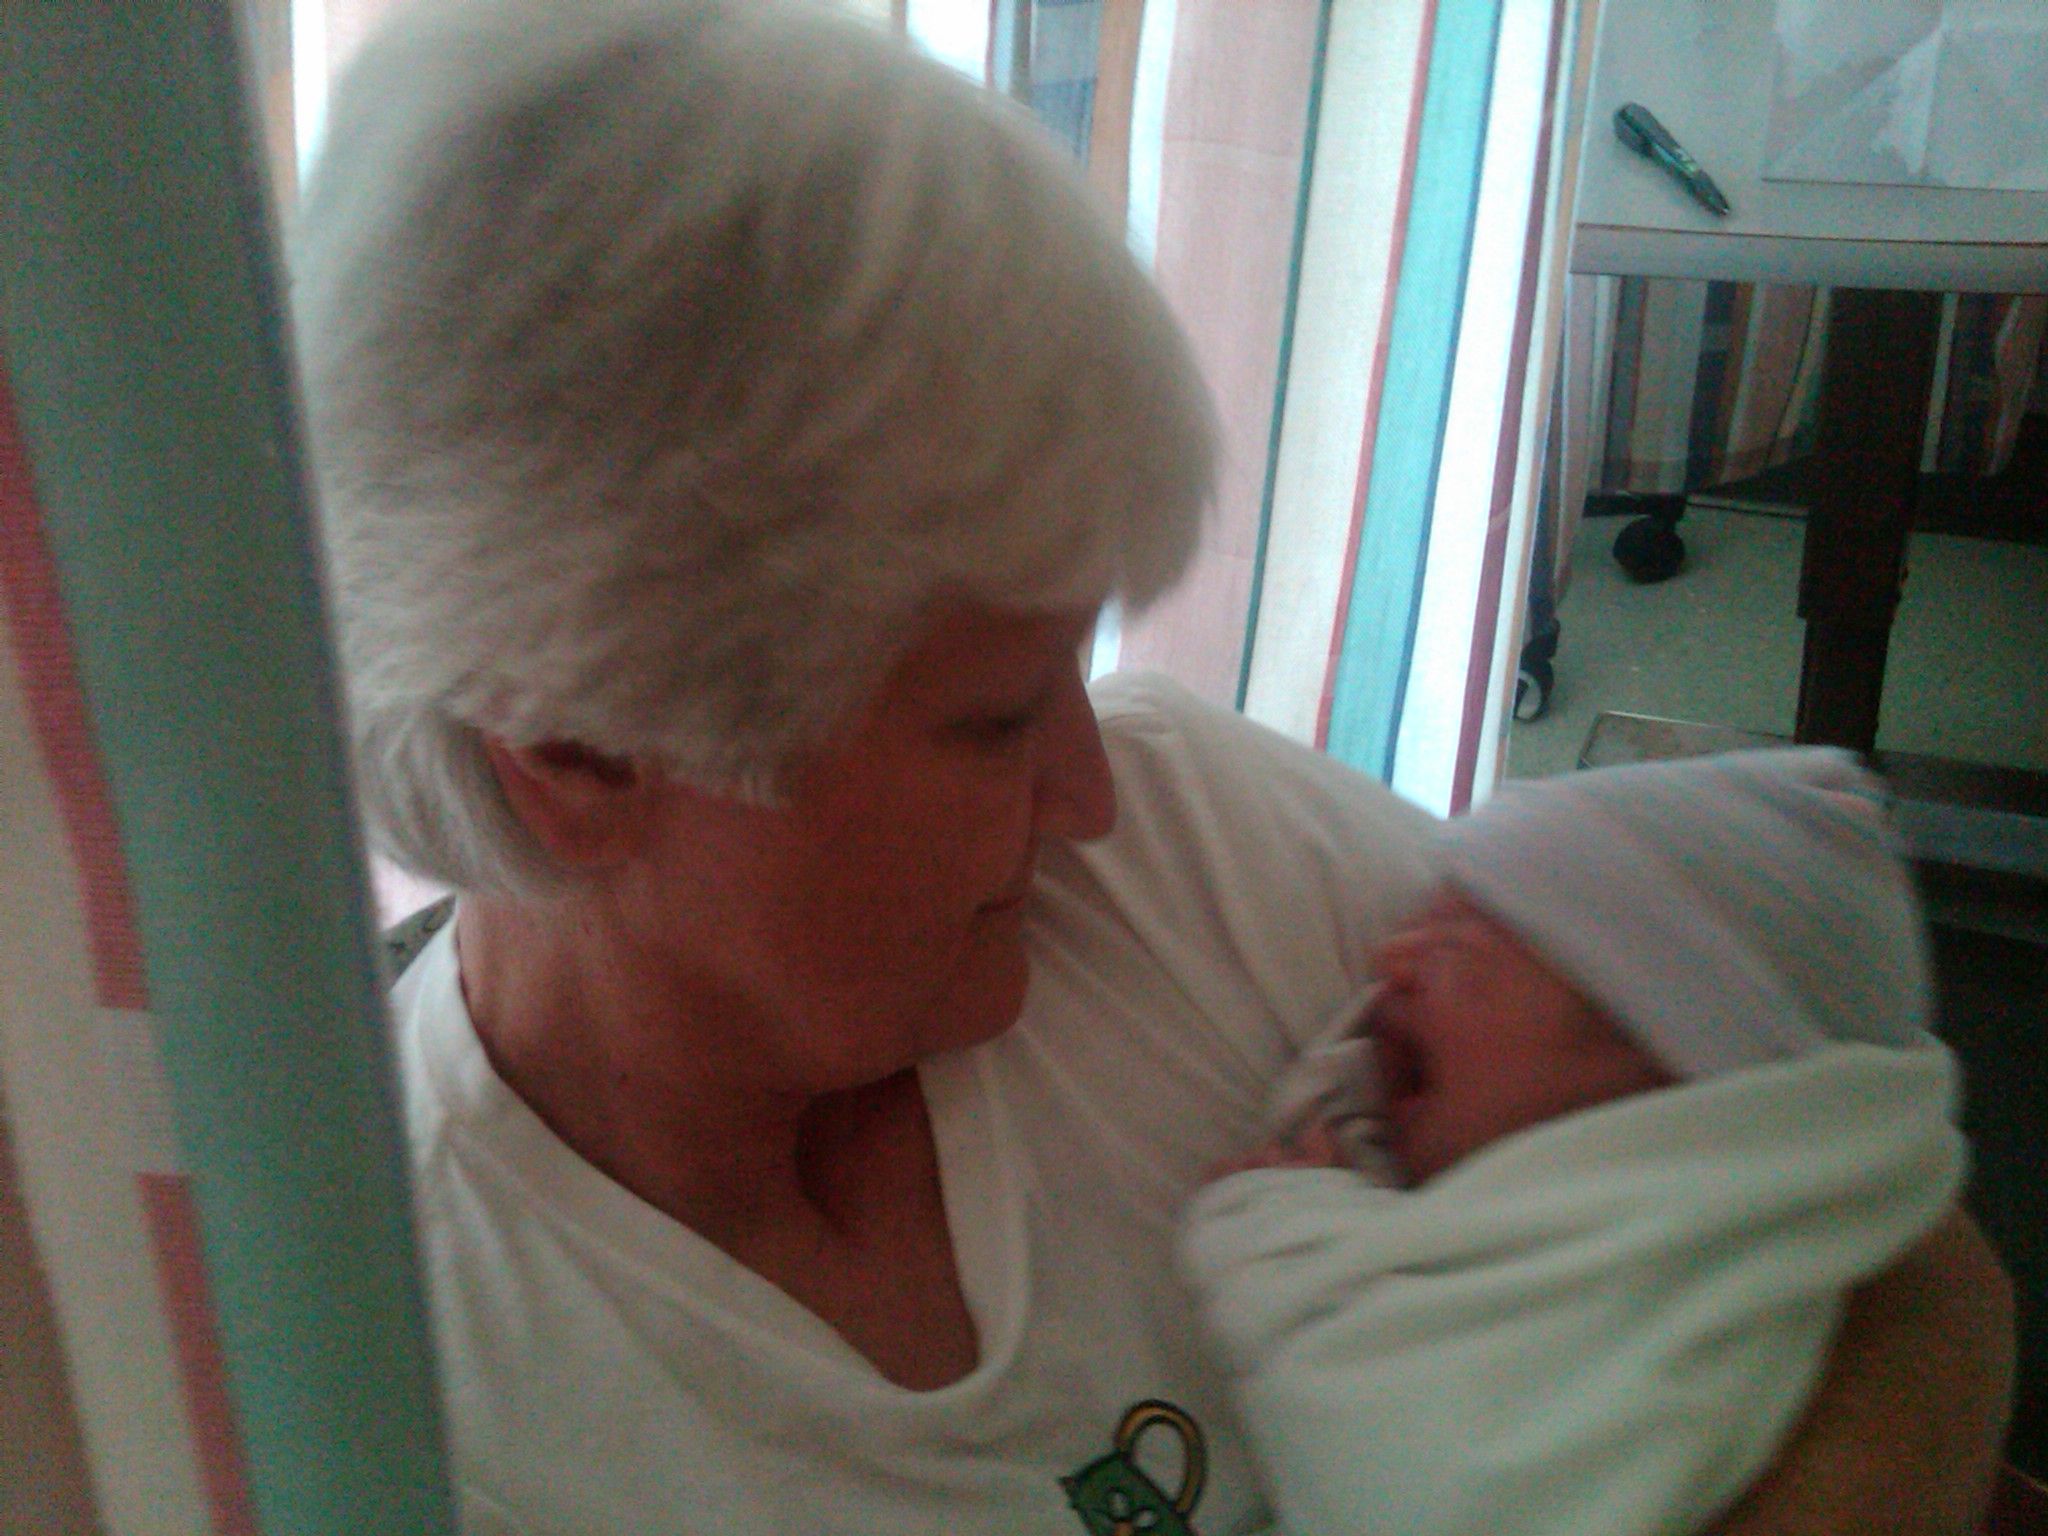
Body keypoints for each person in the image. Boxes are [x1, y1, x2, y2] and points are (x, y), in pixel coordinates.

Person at [291, 1, 2014, 1531]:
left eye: (1075, 667)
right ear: (583, 747)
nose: (1091, 796)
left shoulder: (1195, 839)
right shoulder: (425, 1414)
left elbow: (1892, 1244)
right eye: (992, 719)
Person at [1182, 749, 1968, 1536]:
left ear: (1670, 1060)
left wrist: (1274, 1234)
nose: (1388, 961)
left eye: (1456, 940)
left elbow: (1429, 1478)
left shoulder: (1686, 1287)